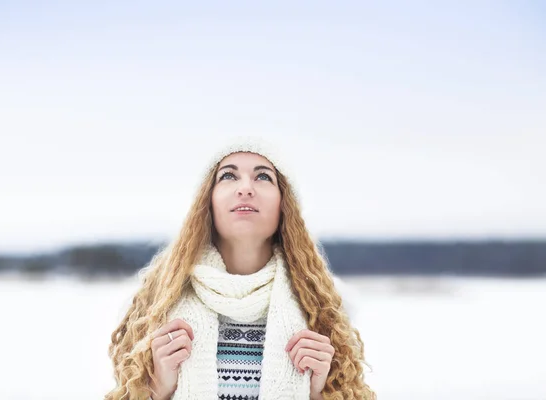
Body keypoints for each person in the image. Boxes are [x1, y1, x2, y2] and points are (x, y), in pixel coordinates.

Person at [105, 137, 375, 400]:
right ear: (207, 201)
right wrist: (156, 391)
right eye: (228, 176)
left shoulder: (327, 307)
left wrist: (320, 394)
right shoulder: (152, 305)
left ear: (285, 205)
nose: (245, 188)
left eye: (263, 177)